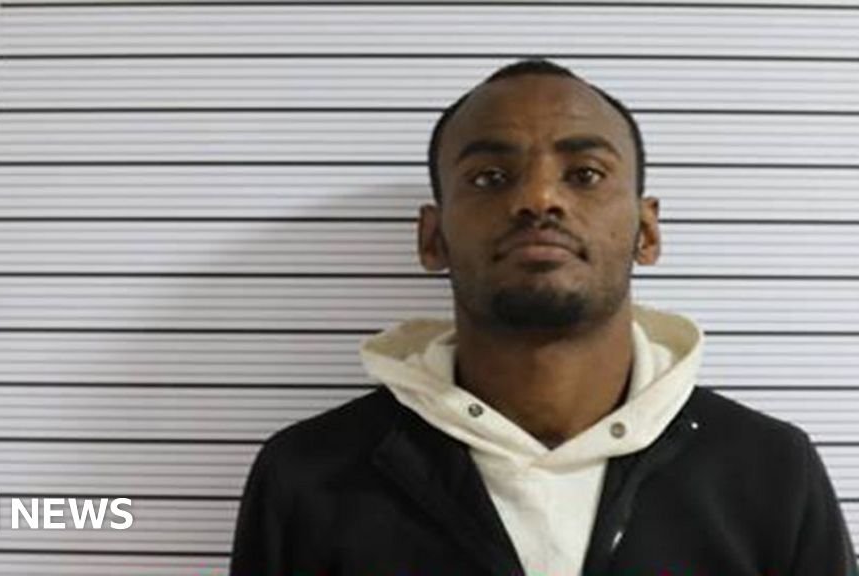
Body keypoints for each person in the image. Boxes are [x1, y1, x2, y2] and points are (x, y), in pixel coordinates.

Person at [229, 58, 858, 576]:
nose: (538, 198)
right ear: (432, 238)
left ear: (646, 230)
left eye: (585, 174)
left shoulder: (770, 471)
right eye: (489, 177)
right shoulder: (308, 477)